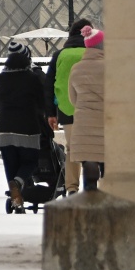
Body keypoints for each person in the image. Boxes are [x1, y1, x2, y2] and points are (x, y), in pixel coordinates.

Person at [0, 42, 56, 214]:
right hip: (28, 127)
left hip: (4, 128)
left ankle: (17, 201)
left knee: (10, 165)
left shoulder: (1, 78)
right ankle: (19, 182)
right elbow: (42, 103)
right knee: (30, 161)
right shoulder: (32, 78)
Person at [51, 21, 94, 192]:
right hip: (91, 109)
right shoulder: (94, 54)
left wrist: (50, 112)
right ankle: (91, 185)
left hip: (66, 109)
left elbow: (50, 84)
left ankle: (72, 186)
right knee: (92, 147)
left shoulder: (60, 55)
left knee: (72, 148)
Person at [67, 29, 106, 191]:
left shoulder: (76, 69)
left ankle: (88, 194)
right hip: (106, 123)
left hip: (83, 124)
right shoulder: (111, 67)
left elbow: (72, 99)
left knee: (88, 162)